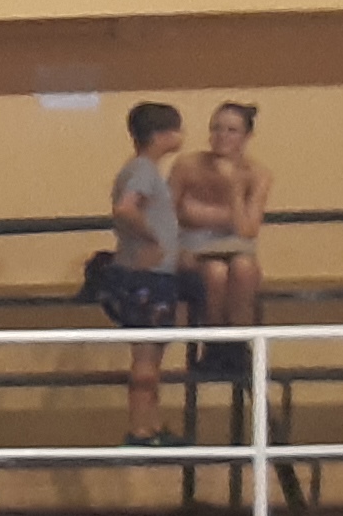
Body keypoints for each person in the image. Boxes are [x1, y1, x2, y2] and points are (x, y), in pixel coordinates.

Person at [106, 102, 194, 446]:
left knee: (153, 354)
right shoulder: (143, 170)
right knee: (146, 356)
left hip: (151, 275)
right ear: (162, 135)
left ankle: (152, 425)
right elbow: (126, 208)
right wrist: (152, 238)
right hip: (148, 277)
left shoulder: (141, 169)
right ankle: (141, 428)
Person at [171, 101, 272, 364]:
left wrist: (234, 189)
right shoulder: (187, 165)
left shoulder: (257, 174)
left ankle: (239, 347)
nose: (222, 136)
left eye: (231, 130)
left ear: (247, 136)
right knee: (215, 273)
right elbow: (168, 214)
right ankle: (215, 345)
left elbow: (247, 230)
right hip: (191, 249)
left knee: (244, 269)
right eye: (216, 129)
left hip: (235, 247)